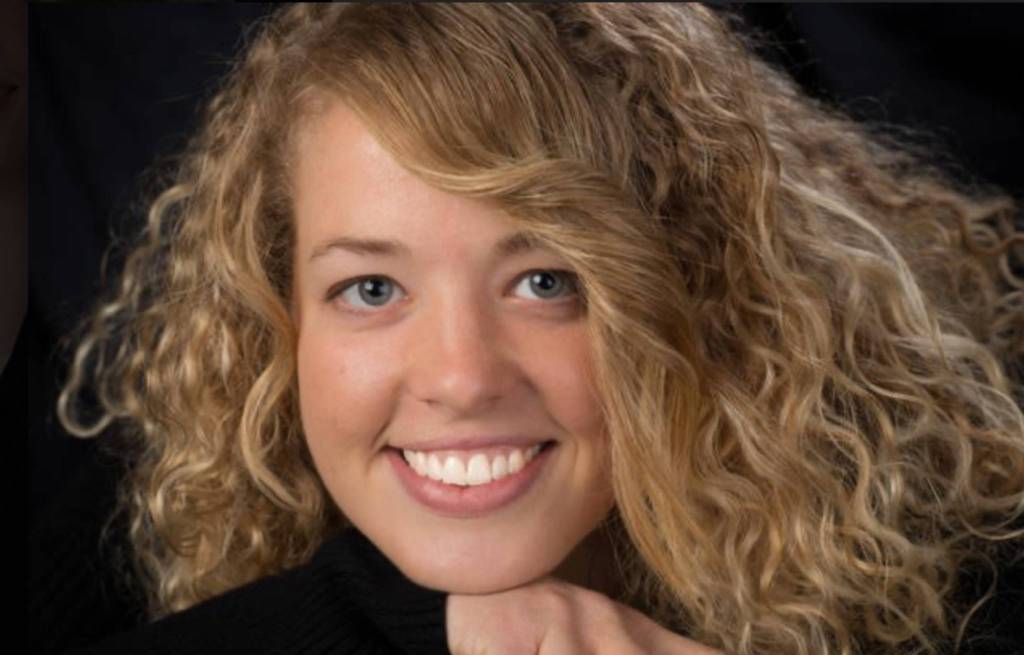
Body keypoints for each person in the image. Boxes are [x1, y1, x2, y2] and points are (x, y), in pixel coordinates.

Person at [33, 3, 1024, 654]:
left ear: (702, 287)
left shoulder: (977, 594)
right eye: (371, 289)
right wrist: (416, 619)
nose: (462, 376)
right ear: (274, 322)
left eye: (546, 280)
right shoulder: (108, 567)